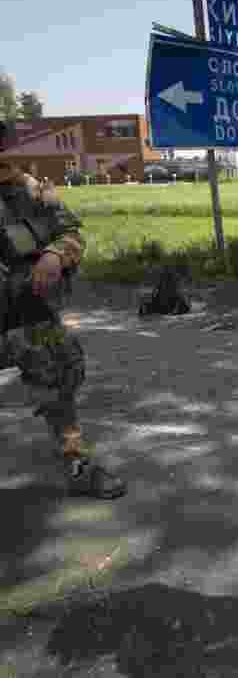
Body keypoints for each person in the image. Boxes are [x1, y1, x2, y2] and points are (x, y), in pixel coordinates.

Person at [0, 154, 126, 499]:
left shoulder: (26, 190)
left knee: (60, 364)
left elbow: (70, 233)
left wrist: (56, 253)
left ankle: (74, 460)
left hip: (23, 312)